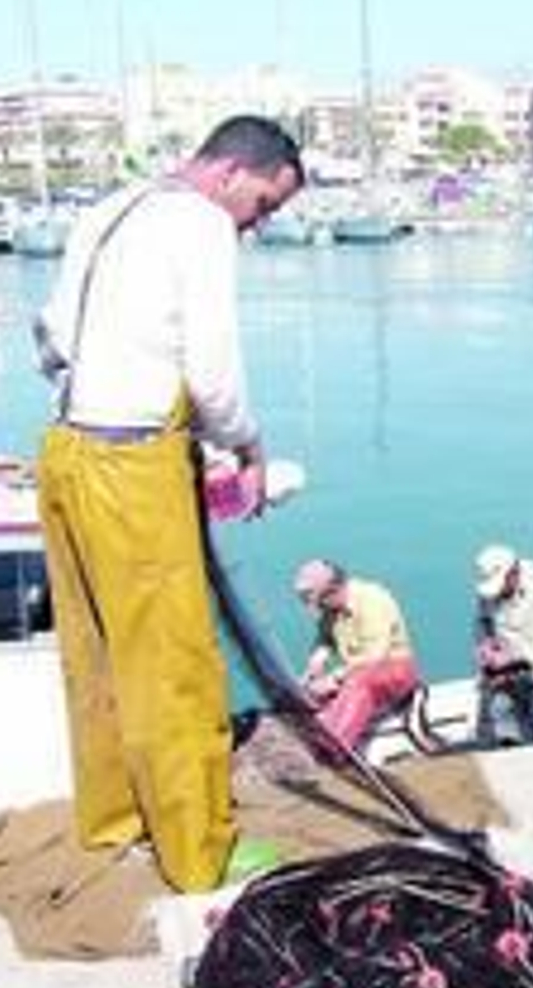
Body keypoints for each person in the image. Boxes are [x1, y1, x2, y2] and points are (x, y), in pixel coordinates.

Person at [33, 115, 303, 892]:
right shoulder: (200, 225)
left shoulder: (111, 207)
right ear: (230, 175)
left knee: (97, 647)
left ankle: (116, 818)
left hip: (65, 451)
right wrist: (248, 443)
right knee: (176, 662)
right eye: (263, 205)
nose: (256, 226)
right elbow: (213, 369)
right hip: (132, 464)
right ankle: (199, 854)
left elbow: (51, 335)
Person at [294, 559, 426, 756]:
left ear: (333, 589)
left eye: (320, 600)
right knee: (308, 694)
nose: (319, 607)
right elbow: (325, 639)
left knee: (360, 682)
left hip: (394, 668)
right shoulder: (330, 609)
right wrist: (316, 662)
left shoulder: (372, 599)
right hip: (357, 672)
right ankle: (312, 734)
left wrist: (336, 678)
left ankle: (335, 745)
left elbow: (376, 656)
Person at [473, 544, 533, 746]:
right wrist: (485, 647)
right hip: (505, 672)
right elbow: (483, 623)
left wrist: (516, 656)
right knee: (501, 725)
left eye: (501, 586)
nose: (497, 594)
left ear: (514, 573)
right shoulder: (488, 591)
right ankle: (509, 746)